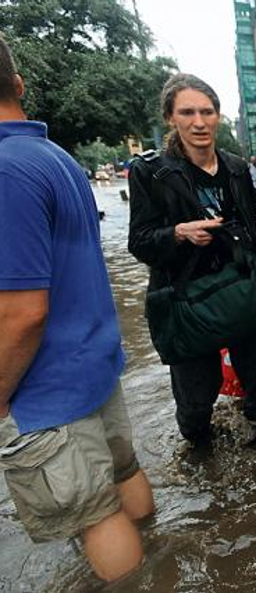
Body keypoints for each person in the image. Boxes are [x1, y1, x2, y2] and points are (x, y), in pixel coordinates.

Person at [0, 33, 155, 582]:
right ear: (18, 85)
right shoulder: (54, 155)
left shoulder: (4, 170)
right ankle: (158, 559)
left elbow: (23, 312)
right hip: (94, 362)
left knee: (94, 516)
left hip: (45, 388)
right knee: (124, 471)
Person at [128, 73, 256, 449]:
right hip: (187, 299)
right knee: (196, 397)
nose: (199, 122)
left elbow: (255, 233)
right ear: (170, 118)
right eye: (187, 112)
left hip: (240, 288)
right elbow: (140, 242)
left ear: (217, 116)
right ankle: (200, 454)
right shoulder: (149, 172)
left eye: (207, 112)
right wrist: (179, 233)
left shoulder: (235, 167)